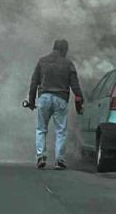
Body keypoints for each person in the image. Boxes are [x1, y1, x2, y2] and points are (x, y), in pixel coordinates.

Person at [26, 39, 84, 170]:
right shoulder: (68, 64)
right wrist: (81, 100)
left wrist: (31, 101)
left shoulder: (42, 61)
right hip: (61, 98)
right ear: (64, 50)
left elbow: (34, 82)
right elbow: (75, 85)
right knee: (61, 131)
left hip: (44, 97)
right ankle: (59, 160)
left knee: (41, 129)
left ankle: (41, 156)